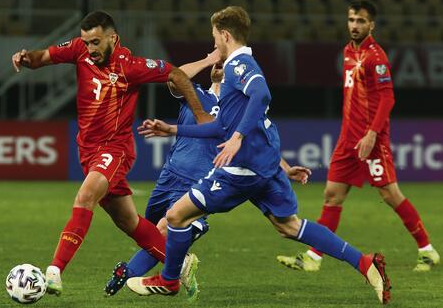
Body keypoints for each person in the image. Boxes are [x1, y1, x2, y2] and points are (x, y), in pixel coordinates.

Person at [125, 6, 391, 304]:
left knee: (175, 216)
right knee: (289, 226)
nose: (214, 44)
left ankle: (170, 280)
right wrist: (173, 130)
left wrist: (237, 139)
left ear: (225, 35)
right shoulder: (234, 71)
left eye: (215, 38)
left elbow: (262, 95)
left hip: (241, 171)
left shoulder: (240, 66)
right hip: (263, 165)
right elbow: (222, 127)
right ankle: (364, 263)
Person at [10, 10, 213, 296]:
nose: (89, 48)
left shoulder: (130, 66)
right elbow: (43, 57)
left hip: (114, 149)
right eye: (86, 42)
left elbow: (176, 74)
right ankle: (179, 264)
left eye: (95, 42)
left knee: (85, 196)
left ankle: (54, 272)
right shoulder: (79, 50)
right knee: (128, 221)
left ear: (112, 39)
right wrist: (26, 59)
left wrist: (201, 113)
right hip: (88, 150)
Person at [104, 53, 312, 301]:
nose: (219, 66)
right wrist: (207, 59)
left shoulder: (237, 108)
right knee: (150, 236)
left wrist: (286, 168)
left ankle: (128, 273)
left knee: (163, 230)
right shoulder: (196, 95)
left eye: (225, 64)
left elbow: (258, 144)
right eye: (218, 63)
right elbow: (174, 77)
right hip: (170, 176)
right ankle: (180, 267)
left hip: (201, 181)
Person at [277, 0, 439, 273]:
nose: (355, 25)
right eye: (352, 19)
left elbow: (388, 97)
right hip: (347, 139)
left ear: (371, 24)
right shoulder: (347, 52)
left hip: (371, 141)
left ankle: (427, 250)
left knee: (390, 194)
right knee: (332, 196)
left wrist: (372, 135)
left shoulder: (377, 57)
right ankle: (313, 258)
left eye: (361, 21)